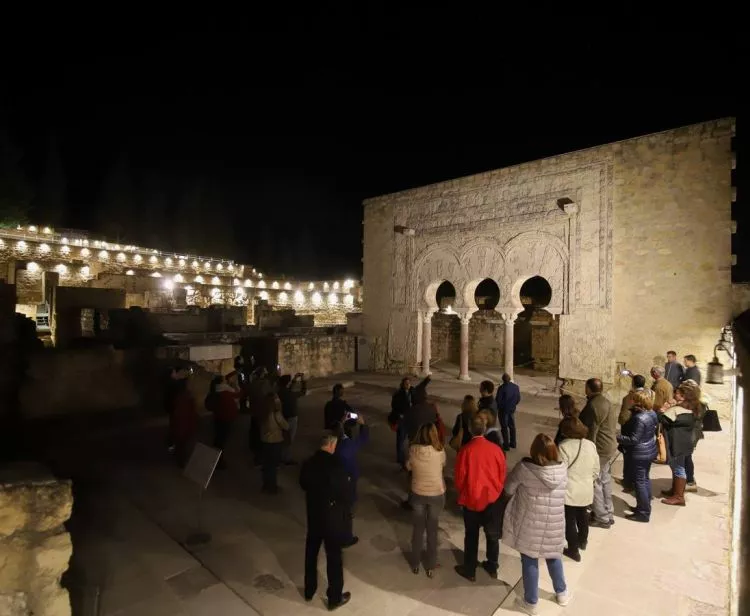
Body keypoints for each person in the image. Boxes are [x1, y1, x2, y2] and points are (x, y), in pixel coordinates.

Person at [503, 434, 569, 614]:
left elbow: (508, 488)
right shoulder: (563, 470)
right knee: (554, 555)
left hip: (530, 522)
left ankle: (531, 602)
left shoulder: (524, 468)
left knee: (529, 558)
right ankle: (561, 593)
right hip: (555, 521)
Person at [300, 432, 352, 610]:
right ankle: (334, 597)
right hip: (331, 519)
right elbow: (345, 494)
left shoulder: (309, 463)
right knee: (334, 558)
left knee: (311, 554)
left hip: (314, 516)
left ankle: (309, 589)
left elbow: (303, 483)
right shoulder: (336, 465)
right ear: (331, 445)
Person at [454, 415, 507, 582]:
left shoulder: (466, 450)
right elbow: (502, 473)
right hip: (491, 499)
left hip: (471, 499)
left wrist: (464, 492)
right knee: (492, 535)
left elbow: (459, 477)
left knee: (471, 535)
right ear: (485, 429)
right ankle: (492, 566)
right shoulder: (496, 449)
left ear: (470, 429)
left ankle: (469, 569)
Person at [407, 423, 446, 578]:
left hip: (417, 493)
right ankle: (430, 565)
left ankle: (415, 563)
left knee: (418, 530)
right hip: (436, 494)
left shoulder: (413, 450)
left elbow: (409, 467)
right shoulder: (440, 451)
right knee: (432, 530)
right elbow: (443, 465)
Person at [557, 417, 599, 561]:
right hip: (586, 489)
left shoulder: (563, 446)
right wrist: (589, 480)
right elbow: (596, 469)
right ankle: (582, 541)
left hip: (569, 490)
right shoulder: (590, 445)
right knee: (583, 516)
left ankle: (573, 550)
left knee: (569, 520)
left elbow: (560, 470)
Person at [578, 377, 617, 529]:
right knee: (605, 479)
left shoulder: (593, 406)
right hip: (609, 446)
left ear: (588, 388)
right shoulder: (605, 401)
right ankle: (608, 512)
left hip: (599, 448)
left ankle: (601, 517)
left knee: (594, 482)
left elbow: (591, 431)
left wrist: (588, 451)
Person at [617, 390, 658, 522]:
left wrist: (619, 437)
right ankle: (644, 506)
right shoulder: (652, 413)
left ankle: (643, 513)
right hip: (649, 450)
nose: (632, 401)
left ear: (639, 402)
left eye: (634, 399)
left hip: (640, 453)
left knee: (640, 482)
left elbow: (634, 439)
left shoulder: (640, 418)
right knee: (645, 479)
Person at [658, 381, 699, 506]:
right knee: (677, 467)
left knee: (679, 468)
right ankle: (675, 490)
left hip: (677, 443)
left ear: (683, 396)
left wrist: (663, 409)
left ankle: (679, 497)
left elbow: (661, 419)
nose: (675, 395)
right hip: (684, 442)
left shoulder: (677, 411)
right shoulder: (690, 408)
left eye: (677, 394)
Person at [335, 414, 369, 547]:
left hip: (335, 479)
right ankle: (346, 538)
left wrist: (342, 423)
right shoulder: (348, 446)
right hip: (347, 481)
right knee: (347, 511)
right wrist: (363, 424)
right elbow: (363, 439)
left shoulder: (334, 442)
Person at [389, 375, 431, 469]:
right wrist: (399, 414)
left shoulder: (412, 391)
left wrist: (427, 379)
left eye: (409, 383)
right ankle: (400, 459)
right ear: (402, 384)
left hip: (411, 420)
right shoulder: (398, 394)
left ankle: (412, 457)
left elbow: (421, 386)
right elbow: (394, 406)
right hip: (402, 420)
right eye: (406, 383)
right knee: (400, 440)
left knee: (413, 439)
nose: (408, 385)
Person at [618, 374, 651, 491]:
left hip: (631, 430)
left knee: (628, 457)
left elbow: (624, 417)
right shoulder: (649, 394)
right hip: (647, 432)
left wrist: (621, 423)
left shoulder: (629, 397)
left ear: (633, 384)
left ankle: (628, 482)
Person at [259, 392, 289, 494]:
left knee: (266, 465)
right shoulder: (276, 414)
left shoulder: (262, 412)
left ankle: (266, 485)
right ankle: (272, 487)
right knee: (273, 466)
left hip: (265, 441)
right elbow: (286, 426)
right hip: (275, 441)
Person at [213, 372, 241, 469]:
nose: (226, 380)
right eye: (224, 379)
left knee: (219, 439)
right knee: (221, 440)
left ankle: (217, 459)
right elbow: (238, 394)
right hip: (225, 418)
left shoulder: (217, 390)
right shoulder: (225, 391)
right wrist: (235, 385)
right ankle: (218, 461)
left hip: (219, 417)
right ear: (222, 382)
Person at [278, 372, 307, 464]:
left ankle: (281, 457)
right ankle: (287, 459)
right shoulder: (292, 395)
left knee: (283, 438)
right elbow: (303, 391)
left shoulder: (280, 392)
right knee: (289, 439)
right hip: (292, 418)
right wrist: (303, 380)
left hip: (283, 417)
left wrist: (294, 379)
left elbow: (288, 388)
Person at [171, 372, 198, 468]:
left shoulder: (179, 396)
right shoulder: (187, 396)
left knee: (181, 443)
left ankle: (181, 459)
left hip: (181, 423)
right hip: (184, 423)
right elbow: (190, 411)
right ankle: (182, 461)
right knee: (183, 443)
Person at [496, 373, 521, 451]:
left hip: (503, 411)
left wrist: (498, 408)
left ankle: (506, 445)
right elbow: (518, 398)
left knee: (504, 427)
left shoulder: (501, 388)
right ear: (510, 379)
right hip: (511, 409)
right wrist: (513, 405)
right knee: (512, 426)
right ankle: (513, 443)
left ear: (503, 380)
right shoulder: (516, 387)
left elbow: (498, 400)